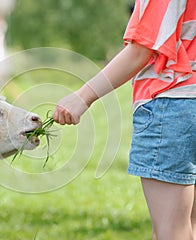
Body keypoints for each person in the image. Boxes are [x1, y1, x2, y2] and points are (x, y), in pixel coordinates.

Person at [53, 1, 196, 239]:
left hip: (172, 105)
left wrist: (83, 97)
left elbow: (141, 51)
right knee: (189, 223)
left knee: (171, 230)